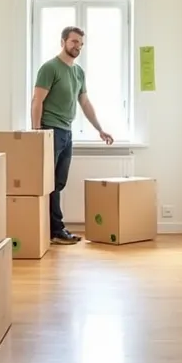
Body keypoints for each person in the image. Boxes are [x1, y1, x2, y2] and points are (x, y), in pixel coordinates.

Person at [33, 26, 114, 245]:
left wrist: (100, 129)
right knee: (48, 183)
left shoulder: (78, 72)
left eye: (81, 43)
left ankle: (53, 230)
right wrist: (37, 133)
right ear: (63, 42)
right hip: (50, 130)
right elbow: (37, 100)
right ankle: (55, 230)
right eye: (74, 42)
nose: (77, 46)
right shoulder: (50, 68)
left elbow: (85, 102)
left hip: (66, 132)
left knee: (58, 183)